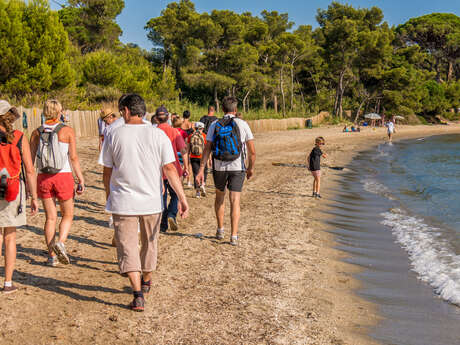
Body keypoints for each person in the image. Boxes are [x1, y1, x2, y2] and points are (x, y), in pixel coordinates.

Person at [100, 94, 189, 311]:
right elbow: (170, 169)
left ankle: (137, 293)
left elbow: (107, 172)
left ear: (127, 111)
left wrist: (108, 194)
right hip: (151, 201)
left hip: (123, 201)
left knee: (128, 246)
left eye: (122, 111)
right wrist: (183, 199)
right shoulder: (158, 135)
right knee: (150, 243)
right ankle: (147, 279)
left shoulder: (113, 134)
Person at [30, 99, 85, 267]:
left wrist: (30, 187)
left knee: (50, 218)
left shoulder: (36, 132)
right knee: (67, 214)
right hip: (63, 176)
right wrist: (80, 178)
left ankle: (51, 256)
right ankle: (61, 242)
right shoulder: (67, 131)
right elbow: (73, 157)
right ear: (60, 112)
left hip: (44, 177)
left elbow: (31, 161)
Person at [196, 96, 256, 246]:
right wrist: (250, 168)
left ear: (222, 109)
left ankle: (220, 229)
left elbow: (207, 148)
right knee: (235, 200)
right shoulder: (242, 124)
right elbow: (252, 152)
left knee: (220, 197)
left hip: (219, 166)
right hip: (237, 167)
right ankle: (234, 236)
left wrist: (201, 169)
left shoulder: (215, 124)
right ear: (235, 110)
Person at [0, 101, 38, 293]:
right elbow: (29, 170)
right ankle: (7, 282)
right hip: (13, 189)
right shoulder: (18, 137)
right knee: (10, 236)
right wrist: (34, 197)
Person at [155, 106, 189, 232]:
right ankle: (172, 214)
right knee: (175, 195)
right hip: (174, 169)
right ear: (168, 117)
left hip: (159, 171)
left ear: (156, 118)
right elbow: (183, 150)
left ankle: (163, 224)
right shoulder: (175, 132)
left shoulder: (154, 132)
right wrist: (186, 166)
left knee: (162, 197)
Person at [187, 122, 207, 198]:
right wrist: (209, 160)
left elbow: (188, 148)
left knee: (196, 173)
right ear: (202, 128)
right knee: (203, 172)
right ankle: (202, 184)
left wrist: (188, 158)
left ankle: (197, 192)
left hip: (193, 157)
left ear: (194, 128)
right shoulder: (204, 136)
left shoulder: (190, 136)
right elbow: (207, 149)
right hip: (203, 157)